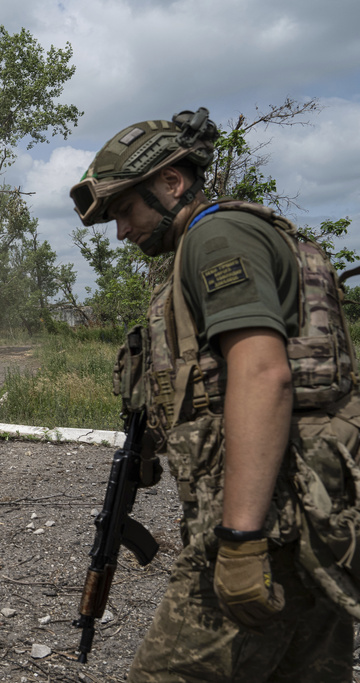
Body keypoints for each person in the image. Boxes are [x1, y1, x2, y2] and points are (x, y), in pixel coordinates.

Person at [69, 108, 357, 682]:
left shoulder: (215, 236)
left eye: (125, 210)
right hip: (309, 516)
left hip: (267, 517)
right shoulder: (225, 240)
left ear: (172, 182)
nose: (121, 231)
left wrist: (242, 538)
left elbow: (261, 373)